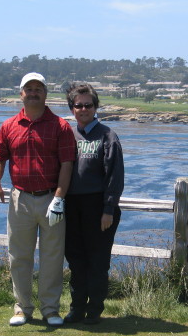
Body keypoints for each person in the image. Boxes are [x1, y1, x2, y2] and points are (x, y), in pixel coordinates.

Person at [0, 72, 76, 327]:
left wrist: (59, 198)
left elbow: (67, 165)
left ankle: (50, 309)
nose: (34, 92)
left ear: (46, 94)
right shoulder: (8, 126)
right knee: (19, 256)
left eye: (39, 88)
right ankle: (22, 308)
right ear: (21, 94)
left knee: (52, 257)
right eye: (29, 88)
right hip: (20, 199)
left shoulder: (60, 126)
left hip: (51, 198)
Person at [63, 83, 124, 325]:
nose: (83, 109)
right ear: (72, 108)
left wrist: (108, 209)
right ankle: (76, 308)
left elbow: (115, 176)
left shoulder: (108, 136)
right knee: (76, 260)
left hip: (99, 207)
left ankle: (94, 310)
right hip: (71, 206)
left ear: (96, 107)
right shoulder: (67, 135)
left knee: (97, 262)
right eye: (78, 105)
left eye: (88, 105)